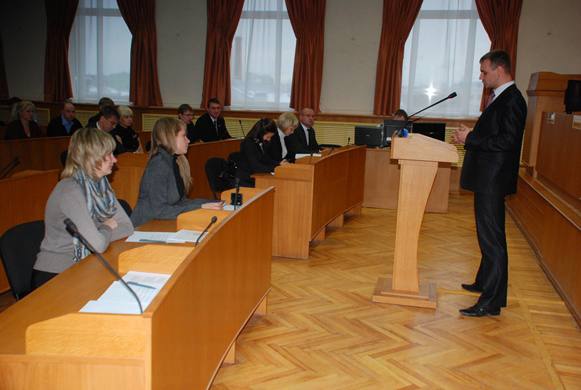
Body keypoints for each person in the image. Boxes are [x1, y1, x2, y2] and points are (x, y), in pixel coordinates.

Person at [452, 50, 527, 317]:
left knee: (493, 240)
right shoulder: (502, 98)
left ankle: (491, 301)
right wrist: (471, 134)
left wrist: (470, 138)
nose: (481, 77)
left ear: (500, 70)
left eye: (484, 72)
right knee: (488, 236)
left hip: (492, 180)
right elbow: (495, 134)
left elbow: (506, 142)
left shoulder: (513, 100)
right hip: (488, 179)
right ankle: (484, 281)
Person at [32, 128, 134, 289]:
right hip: (55, 274)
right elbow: (98, 245)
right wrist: (106, 226)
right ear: (91, 158)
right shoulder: (70, 190)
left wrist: (97, 234)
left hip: (85, 264)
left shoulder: (101, 186)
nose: (114, 160)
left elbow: (127, 227)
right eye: (108, 155)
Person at [131, 117, 222, 227]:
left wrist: (209, 203)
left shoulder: (173, 161)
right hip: (146, 226)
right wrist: (200, 207)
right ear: (170, 137)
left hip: (161, 223)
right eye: (184, 136)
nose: (188, 140)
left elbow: (180, 202)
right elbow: (158, 211)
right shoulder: (159, 164)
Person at [237, 118, 286, 187]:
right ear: (261, 133)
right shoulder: (248, 143)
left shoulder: (259, 141)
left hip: (256, 176)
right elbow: (256, 167)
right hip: (246, 179)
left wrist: (279, 163)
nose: (269, 139)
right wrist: (276, 168)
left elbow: (265, 158)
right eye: (268, 136)